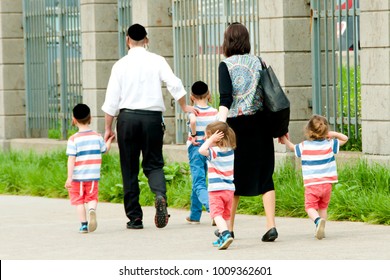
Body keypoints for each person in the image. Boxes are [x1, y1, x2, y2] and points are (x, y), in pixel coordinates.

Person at [101, 23, 196, 230]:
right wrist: (184, 106)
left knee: (129, 168)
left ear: (127, 40)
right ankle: (160, 195)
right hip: (152, 119)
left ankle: (135, 218)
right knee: (153, 164)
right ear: (147, 40)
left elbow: (111, 101)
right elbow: (175, 84)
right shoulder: (157, 61)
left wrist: (108, 128)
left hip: (127, 120)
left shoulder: (120, 65)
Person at [217, 22, 281, 241]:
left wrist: (219, 127)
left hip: (237, 128)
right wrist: (280, 128)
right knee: (266, 176)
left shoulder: (225, 65)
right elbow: (270, 95)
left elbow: (225, 99)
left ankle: (229, 228)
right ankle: (271, 226)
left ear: (227, 41)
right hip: (261, 124)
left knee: (233, 179)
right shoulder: (259, 61)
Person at [280, 115, 348, 239]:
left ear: (309, 131)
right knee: (323, 207)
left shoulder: (304, 146)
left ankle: (317, 221)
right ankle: (322, 228)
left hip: (312, 185)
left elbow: (291, 147)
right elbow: (345, 139)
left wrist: (283, 138)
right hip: (327, 184)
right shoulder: (330, 144)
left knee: (310, 207)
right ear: (326, 130)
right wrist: (333, 133)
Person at [65, 103, 114, 233]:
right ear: (90, 118)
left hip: (77, 178)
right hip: (93, 176)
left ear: (74, 119)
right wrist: (109, 141)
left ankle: (83, 225)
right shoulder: (97, 136)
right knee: (92, 198)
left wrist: (69, 178)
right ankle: (92, 210)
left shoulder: (73, 139)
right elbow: (105, 150)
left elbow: (71, 159)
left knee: (79, 201)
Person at [199, 121, 236, 250]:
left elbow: (201, 150)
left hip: (216, 190)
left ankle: (225, 234)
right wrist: (211, 139)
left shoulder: (214, 151)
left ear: (216, 137)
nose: (205, 139)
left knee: (216, 214)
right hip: (229, 190)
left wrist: (210, 141)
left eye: (207, 136)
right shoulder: (230, 151)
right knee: (225, 215)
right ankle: (223, 236)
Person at [185, 81, 218, 224]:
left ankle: (213, 210)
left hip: (196, 147)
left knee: (198, 182)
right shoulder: (215, 112)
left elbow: (192, 121)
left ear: (192, 97)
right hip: (210, 148)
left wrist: (193, 135)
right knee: (201, 180)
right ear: (208, 95)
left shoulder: (193, 111)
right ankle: (195, 214)